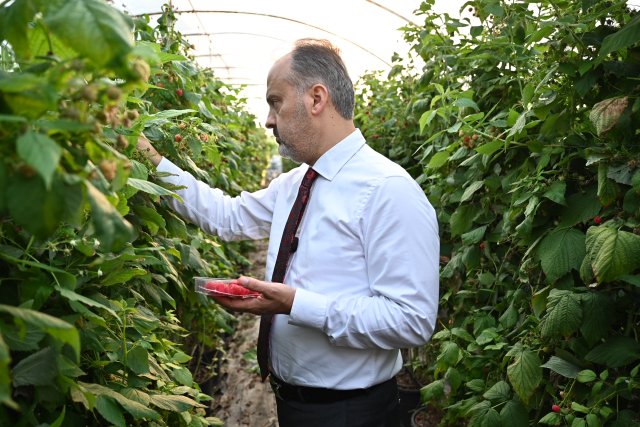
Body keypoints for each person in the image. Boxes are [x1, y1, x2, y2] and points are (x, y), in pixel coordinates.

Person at [136, 38, 439, 427]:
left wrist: (296, 304)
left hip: (349, 413)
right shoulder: (294, 183)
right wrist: (149, 156)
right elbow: (226, 217)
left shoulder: (387, 190)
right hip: (293, 403)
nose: (268, 119)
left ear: (316, 99)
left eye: (275, 101)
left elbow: (410, 320)